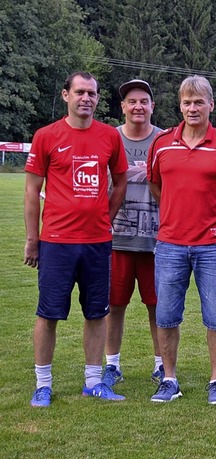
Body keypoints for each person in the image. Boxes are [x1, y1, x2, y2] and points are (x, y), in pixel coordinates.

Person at [24, 71, 128, 407]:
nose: (86, 98)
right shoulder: (46, 135)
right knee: (49, 313)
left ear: (98, 99)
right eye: (80, 92)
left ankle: (94, 381)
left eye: (92, 94)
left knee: (97, 313)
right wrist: (32, 238)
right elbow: (31, 190)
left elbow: (121, 181)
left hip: (97, 242)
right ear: (66, 95)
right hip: (56, 241)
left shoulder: (110, 136)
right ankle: (42, 383)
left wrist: (106, 218)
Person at [147, 75, 216, 404]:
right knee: (166, 315)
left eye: (199, 102)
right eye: (187, 102)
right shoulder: (162, 144)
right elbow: (155, 185)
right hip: (170, 244)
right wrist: (177, 212)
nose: (192, 108)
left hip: (214, 247)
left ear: (211, 105)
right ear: (180, 105)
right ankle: (169, 378)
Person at [101, 80, 164, 389]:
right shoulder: (108, 138)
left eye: (144, 101)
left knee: (158, 305)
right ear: (123, 107)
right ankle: (112, 365)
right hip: (116, 238)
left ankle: (161, 363)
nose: (138, 106)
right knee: (114, 305)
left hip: (157, 239)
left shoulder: (165, 141)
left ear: (152, 106)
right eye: (131, 101)